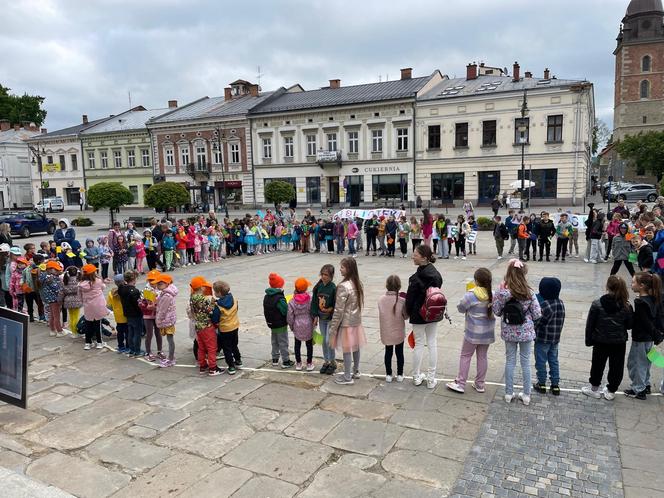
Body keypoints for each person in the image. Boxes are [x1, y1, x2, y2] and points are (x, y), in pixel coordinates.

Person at [492, 259, 542, 406]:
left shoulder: (502, 293)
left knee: (510, 361)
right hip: (525, 331)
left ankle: (508, 393)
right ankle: (526, 395)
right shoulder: (529, 292)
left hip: (509, 331)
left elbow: (496, 311)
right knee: (525, 362)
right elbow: (537, 313)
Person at [582, 275, 632, 400]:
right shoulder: (626, 306)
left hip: (600, 340)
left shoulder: (597, 304)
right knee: (617, 366)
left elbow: (590, 325)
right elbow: (630, 325)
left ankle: (594, 388)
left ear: (607, 287)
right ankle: (611, 390)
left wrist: (589, 340)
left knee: (598, 364)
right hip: (619, 341)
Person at [447, 268, 495, 394]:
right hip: (487, 333)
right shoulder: (493, 294)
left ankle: (461, 383)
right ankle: (480, 384)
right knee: (483, 357)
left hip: (472, 333)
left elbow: (461, 308)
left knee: (465, 355)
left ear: (476, 280)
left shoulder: (471, 294)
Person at [405, 244, 443, 388]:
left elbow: (410, 300)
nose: (413, 256)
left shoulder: (415, 278)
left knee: (419, 344)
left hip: (418, 314)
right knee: (432, 342)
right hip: (433, 312)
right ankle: (431, 379)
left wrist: (408, 312)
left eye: (415, 254)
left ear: (424, 258)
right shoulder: (436, 274)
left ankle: (416, 376)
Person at [329, 257, 366, 385]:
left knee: (347, 349)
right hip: (356, 321)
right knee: (355, 347)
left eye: (342, 267)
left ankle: (347, 377)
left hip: (346, 323)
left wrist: (333, 327)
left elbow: (338, 310)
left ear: (349, 269)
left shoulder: (343, 286)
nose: (340, 269)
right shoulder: (357, 283)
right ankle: (356, 370)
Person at [624, 272, 661, 400]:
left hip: (640, 338)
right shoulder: (654, 298)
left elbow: (643, 322)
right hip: (649, 339)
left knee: (635, 363)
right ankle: (646, 384)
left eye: (633, 282)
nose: (631, 284)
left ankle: (639, 389)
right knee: (647, 362)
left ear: (642, 286)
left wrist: (629, 311)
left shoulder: (640, 302)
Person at [532, 277, 565, 395]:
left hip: (542, 339)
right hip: (555, 339)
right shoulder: (561, 303)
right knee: (554, 360)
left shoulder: (545, 305)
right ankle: (555, 385)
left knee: (541, 361)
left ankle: (541, 383)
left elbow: (538, 321)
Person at [188, 276, 222, 376]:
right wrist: (212, 303)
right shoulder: (203, 299)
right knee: (212, 348)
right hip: (206, 325)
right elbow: (209, 311)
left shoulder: (192, 297)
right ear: (202, 287)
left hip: (198, 325)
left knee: (201, 347)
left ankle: (202, 366)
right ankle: (213, 368)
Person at [378, 275, 407, 383]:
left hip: (386, 331)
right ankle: (400, 374)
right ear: (399, 286)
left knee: (388, 352)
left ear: (387, 285)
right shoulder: (402, 300)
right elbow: (406, 316)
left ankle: (388, 374)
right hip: (398, 331)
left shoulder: (381, 300)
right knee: (400, 353)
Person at [211, 280, 242, 374]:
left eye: (215, 292)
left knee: (226, 348)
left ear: (219, 293)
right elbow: (235, 308)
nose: (214, 293)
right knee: (234, 345)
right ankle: (238, 361)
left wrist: (213, 307)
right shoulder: (234, 299)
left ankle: (231, 366)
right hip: (235, 326)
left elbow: (215, 319)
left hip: (225, 329)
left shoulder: (218, 306)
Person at [264, 273, 294, 368]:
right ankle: (286, 361)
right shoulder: (279, 297)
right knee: (283, 342)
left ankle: (275, 359)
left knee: (274, 342)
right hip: (280, 324)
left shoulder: (267, 296)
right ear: (280, 285)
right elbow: (285, 310)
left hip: (271, 323)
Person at [311, 264, 337, 375]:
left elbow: (336, 304)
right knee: (323, 341)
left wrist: (330, 309)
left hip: (330, 318)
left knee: (328, 340)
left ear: (331, 276)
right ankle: (326, 361)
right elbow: (314, 303)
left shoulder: (333, 288)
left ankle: (332, 361)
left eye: (326, 274)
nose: (323, 276)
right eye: (322, 274)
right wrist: (315, 316)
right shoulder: (318, 287)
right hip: (321, 318)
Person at [78, 264, 109, 350]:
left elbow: (79, 295)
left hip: (88, 306)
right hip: (98, 305)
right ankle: (99, 342)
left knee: (88, 324)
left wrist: (83, 302)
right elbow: (103, 287)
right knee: (97, 324)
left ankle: (88, 343)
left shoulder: (80, 284)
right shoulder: (98, 281)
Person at [287, 277, 315, 371]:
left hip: (297, 324)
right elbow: (313, 311)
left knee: (297, 344)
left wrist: (291, 325)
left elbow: (290, 316)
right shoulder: (310, 299)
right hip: (308, 324)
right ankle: (309, 363)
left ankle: (298, 363)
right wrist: (314, 323)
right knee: (309, 345)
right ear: (306, 288)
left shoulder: (292, 301)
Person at [154, 273, 178, 367]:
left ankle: (171, 359)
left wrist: (158, 321)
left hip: (167, 320)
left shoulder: (166, 296)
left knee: (170, 339)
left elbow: (162, 311)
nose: (158, 286)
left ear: (167, 284)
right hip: (169, 319)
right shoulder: (166, 293)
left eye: (160, 284)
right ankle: (171, 358)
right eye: (158, 284)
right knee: (169, 339)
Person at [118, 270, 143, 357]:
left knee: (130, 332)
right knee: (137, 333)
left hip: (127, 313)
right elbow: (137, 305)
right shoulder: (134, 291)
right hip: (135, 314)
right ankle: (137, 350)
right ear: (133, 279)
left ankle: (131, 349)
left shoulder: (121, 289)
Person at [140, 271, 163, 362]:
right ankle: (148, 352)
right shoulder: (145, 290)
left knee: (158, 333)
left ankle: (159, 351)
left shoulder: (160, 289)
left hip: (157, 314)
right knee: (149, 334)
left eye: (154, 281)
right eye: (150, 281)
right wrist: (147, 306)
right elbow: (141, 304)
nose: (152, 283)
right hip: (148, 315)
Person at [40, 260, 64, 337]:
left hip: (49, 299)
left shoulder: (44, 276)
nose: (58, 271)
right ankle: (59, 331)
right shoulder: (51, 278)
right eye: (56, 270)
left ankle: (52, 330)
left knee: (52, 315)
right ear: (50, 269)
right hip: (55, 299)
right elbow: (56, 288)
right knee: (56, 316)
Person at [107, 274, 128, 353]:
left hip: (118, 316)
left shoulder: (110, 293)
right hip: (126, 314)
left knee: (120, 332)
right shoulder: (126, 290)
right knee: (127, 332)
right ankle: (128, 346)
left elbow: (109, 306)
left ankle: (121, 346)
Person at [62, 266, 83, 335]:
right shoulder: (78, 281)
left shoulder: (65, 280)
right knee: (76, 317)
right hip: (76, 300)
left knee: (71, 317)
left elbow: (62, 291)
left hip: (68, 301)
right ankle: (75, 332)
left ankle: (73, 332)